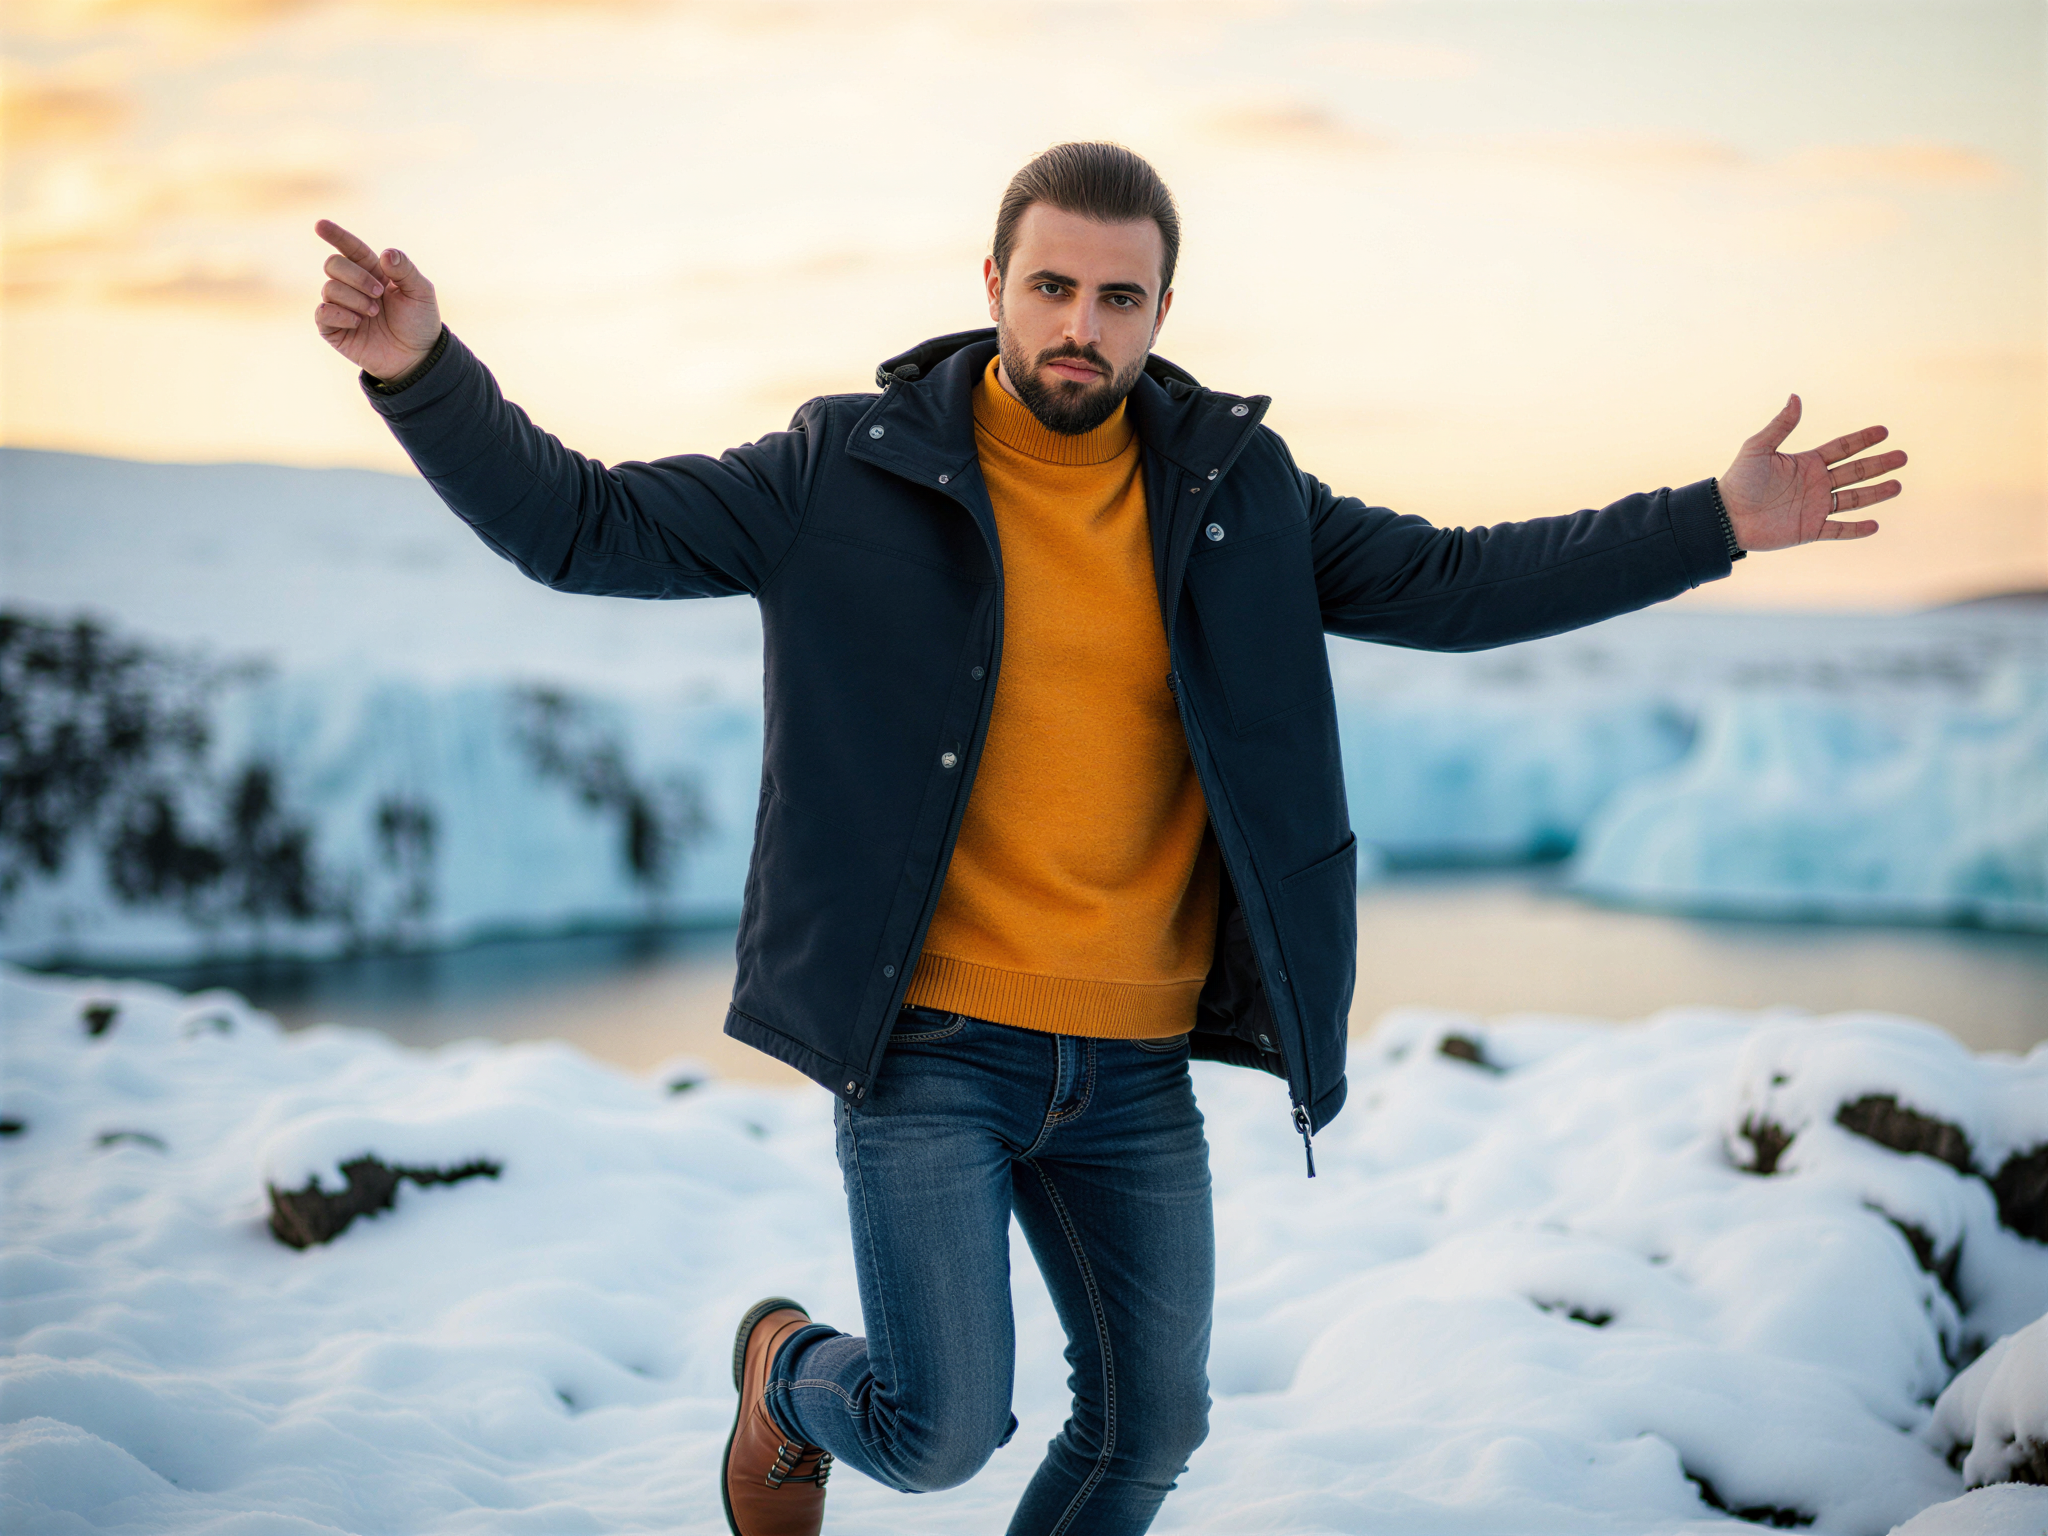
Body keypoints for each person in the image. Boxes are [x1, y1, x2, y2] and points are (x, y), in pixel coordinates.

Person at [313, 142, 1905, 1536]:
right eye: (1056, 286)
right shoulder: (836, 471)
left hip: (1133, 1066)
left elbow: (1460, 584)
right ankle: (783, 1375)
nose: (1085, 325)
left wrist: (1713, 520)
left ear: (1162, 312)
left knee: (1149, 1431)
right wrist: (423, 372)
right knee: (938, 1438)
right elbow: (583, 527)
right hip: (932, 1042)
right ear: (995, 281)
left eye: (1122, 298)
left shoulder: (1237, 493)